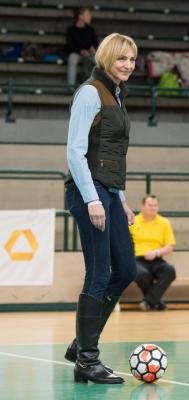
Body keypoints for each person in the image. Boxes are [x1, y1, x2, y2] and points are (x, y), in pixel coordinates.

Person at [64, 33, 138, 384]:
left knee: (125, 269)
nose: (128, 65)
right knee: (99, 272)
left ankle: (81, 344)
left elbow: (113, 156)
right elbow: (75, 151)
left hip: (108, 192)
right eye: (122, 58)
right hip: (88, 192)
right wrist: (93, 199)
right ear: (107, 57)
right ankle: (87, 360)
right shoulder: (90, 92)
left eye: (133, 60)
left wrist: (120, 201)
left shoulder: (118, 95)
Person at [129, 195, 176, 311]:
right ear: (142, 206)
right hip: (137, 259)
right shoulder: (133, 221)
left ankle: (149, 301)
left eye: (155, 205)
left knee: (170, 271)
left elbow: (170, 246)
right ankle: (156, 302)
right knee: (141, 274)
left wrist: (156, 252)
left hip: (156, 259)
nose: (153, 208)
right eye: (150, 205)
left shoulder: (164, 223)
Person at [66, 6, 98, 86]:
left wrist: (93, 49)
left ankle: (92, 85)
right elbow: (70, 46)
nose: (90, 16)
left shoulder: (91, 30)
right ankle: (70, 86)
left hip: (89, 55)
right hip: (76, 53)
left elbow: (95, 44)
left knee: (99, 61)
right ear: (80, 16)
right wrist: (80, 51)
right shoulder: (71, 30)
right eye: (88, 14)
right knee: (72, 58)